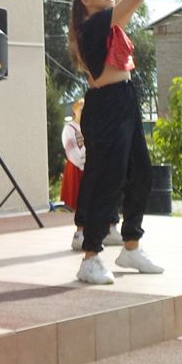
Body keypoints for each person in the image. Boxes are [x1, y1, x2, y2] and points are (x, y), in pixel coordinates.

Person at [67, 0, 167, 285]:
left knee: (141, 174)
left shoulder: (108, 25)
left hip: (126, 99)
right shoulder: (92, 27)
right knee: (107, 181)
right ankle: (90, 256)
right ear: (85, 0)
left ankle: (131, 246)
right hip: (106, 107)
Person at [64, 97, 123, 251]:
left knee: (110, 190)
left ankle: (110, 228)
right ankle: (81, 232)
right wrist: (84, 161)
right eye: (80, 109)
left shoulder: (97, 122)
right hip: (84, 165)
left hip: (99, 161)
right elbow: (73, 151)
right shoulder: (71, 128)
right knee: (87, 193)